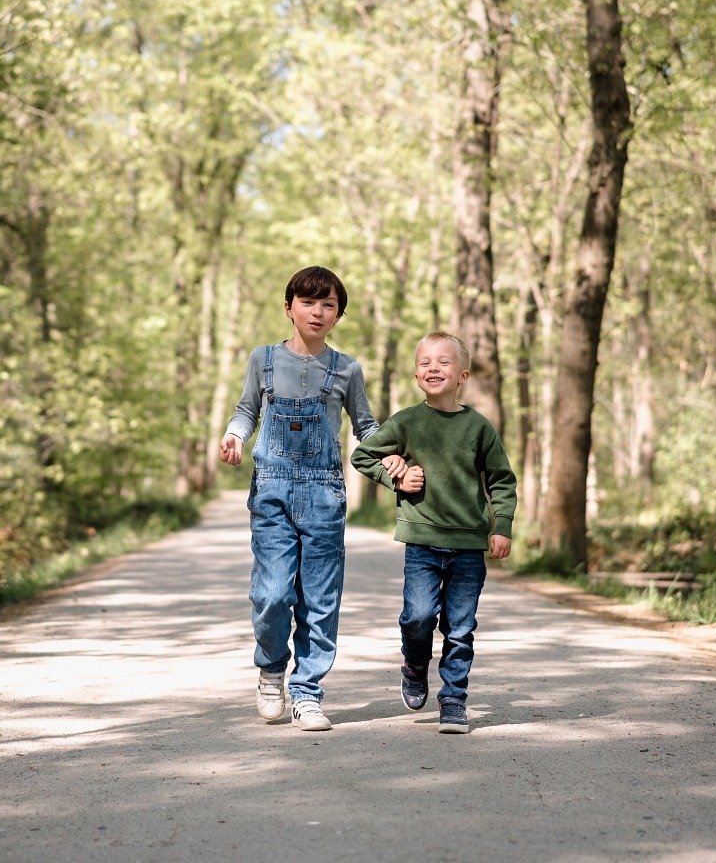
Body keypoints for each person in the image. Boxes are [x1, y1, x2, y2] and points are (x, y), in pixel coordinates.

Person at [219, 265, 402, 732]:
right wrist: (234, 435)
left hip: (324, 492)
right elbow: (246, 410)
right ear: (289, 308)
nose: (317, 312)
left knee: (320, 598)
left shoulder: (347, 369)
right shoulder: (261, 360)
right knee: (273, 593)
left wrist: (392, 460)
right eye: (308, 302)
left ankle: (307, 692)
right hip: (272, 490)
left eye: (328, 305)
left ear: (338, 315)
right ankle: (271, 669)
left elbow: (366, 427)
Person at [351, 331, 516, 735]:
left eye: (443, 362)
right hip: (422, 542)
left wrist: (503, 527)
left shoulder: (478, 427)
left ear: (463, 375)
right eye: (425, 362)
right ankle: (414, 662)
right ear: (415, 373)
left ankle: (454, 700)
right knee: (418, 617)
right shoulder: (406, 422)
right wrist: (397, 479)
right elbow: (362, 455)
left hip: (468, 545)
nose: (433, 368)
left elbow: (501, 481)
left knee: (460, 627)